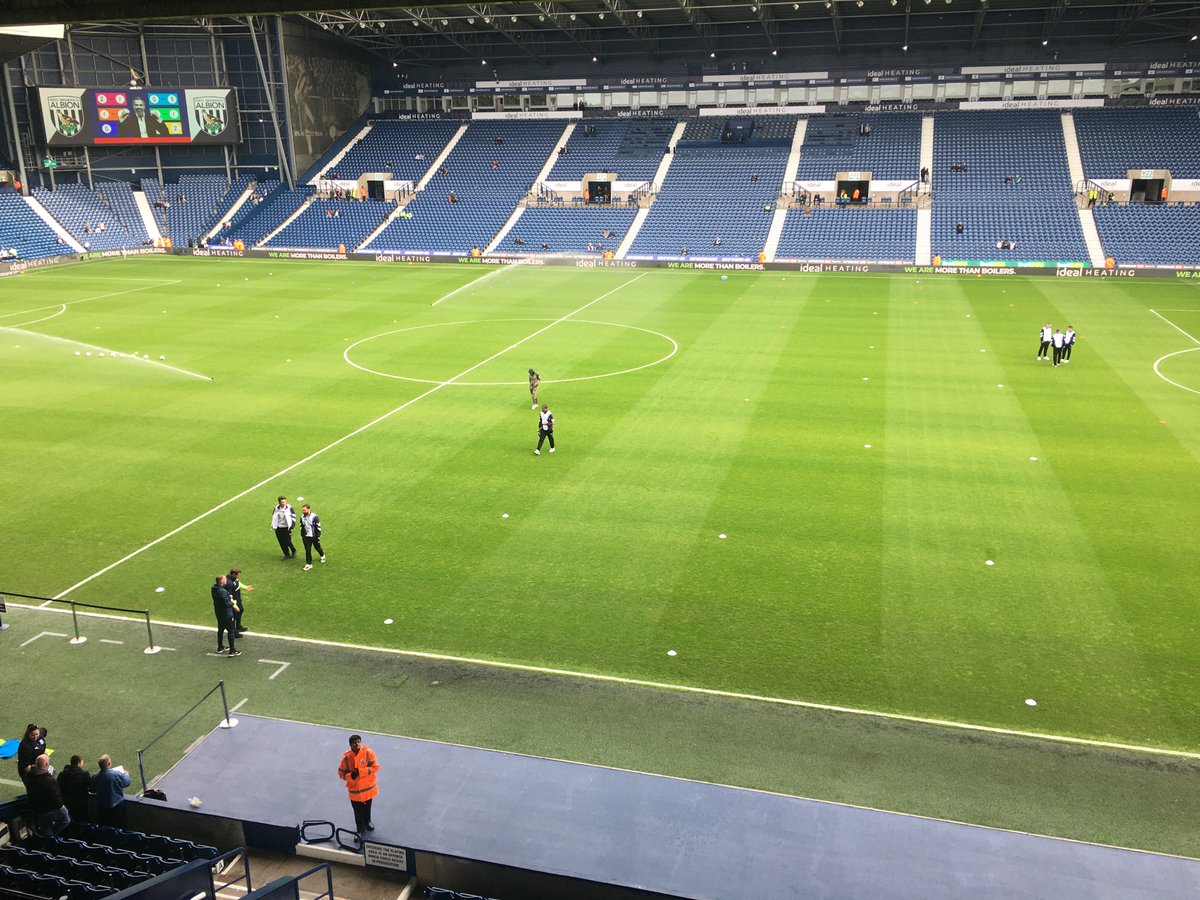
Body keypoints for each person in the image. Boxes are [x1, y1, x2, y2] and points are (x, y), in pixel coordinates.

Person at [337, 734, 380, 834]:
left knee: (367, 807)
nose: (357, 744)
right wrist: (350, 776)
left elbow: (376, 767)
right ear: (350, 745)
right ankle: (359, 830)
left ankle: (368, 821)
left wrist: (361, 772)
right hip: (355, 792)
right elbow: (341, 773)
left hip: (368, 789)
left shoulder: (368, 753)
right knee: (357, 811)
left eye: (358, 742)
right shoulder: (346, 758)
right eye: (354, 743)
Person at [28, 755, 70, 836]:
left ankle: (48, 840)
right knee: (66, 819)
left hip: (39, 808)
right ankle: (52, 836)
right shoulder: (48, 779)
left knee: (45, 827)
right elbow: (55, 794)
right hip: (50, 808)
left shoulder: (30, 776)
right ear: (46, 764)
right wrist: (60, 806)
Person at [91, 755, 132, 827]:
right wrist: (126, 775)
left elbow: (92, 789)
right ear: (109, 764)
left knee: (104, 827)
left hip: (102, 807)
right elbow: (127, 782)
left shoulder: (95, 777)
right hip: (117, 806)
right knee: (118, 826)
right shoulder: (116, 774)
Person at [212, 574, 240, 657]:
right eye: (224, 579)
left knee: (220, 630)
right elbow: (227, 603)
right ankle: (232, 650)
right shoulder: (222, 591)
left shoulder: (214, 588)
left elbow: (222, 599)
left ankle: (220, 647)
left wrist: (228, 596)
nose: (226, 580)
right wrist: (233, 603)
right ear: (221, 581)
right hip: (226, 614)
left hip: (219, 613)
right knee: (231, 631)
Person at [58, 755, 91, 824]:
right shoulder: (84, 774)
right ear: (79, 764)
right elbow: (90, 786)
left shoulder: (62, 774)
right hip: (80, 803)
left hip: (67, 803)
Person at [227, 567, 253, 635]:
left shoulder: (234, 578)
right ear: (234, 574)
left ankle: (238, 627)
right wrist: (235, 606)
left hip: (237, 599)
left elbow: (237, 582)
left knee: (241, 610)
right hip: (234, 602)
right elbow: (229, 597)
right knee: (234, 616)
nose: (239, 576)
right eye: (238, 575)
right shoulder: (229, 583)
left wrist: (246, 587)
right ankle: (234, 632)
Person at [300, 504, 325, 571]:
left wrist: (318, 536)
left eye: (304, 510)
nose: (303, 511)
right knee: (307, 550)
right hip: (306, 537)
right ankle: (309, 564)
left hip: (314, 536)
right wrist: (302, 535)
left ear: (308, 509)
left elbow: (318, 527)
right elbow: (301, 526)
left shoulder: (314, 517)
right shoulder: (302, 517)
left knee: (317, 547)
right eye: (303, 510)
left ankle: (322, 555)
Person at [272, 496, 297, 560]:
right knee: (281, 542)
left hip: (286, 527)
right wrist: (274, 525)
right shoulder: (276, 508)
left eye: (284, 502)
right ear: (279, 503)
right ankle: (286, 554)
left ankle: (293, 550)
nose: (284, 503)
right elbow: (273, 516)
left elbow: (293, 516)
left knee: (288, 541)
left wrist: (292, 526)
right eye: (282, 502)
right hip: (278, 527)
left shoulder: (289, 508)